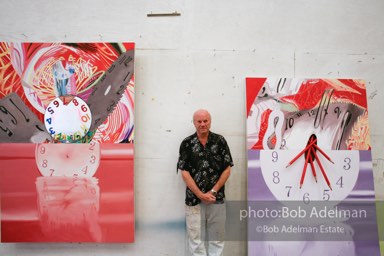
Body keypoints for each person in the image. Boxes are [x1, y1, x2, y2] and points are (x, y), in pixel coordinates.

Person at [177, 109, 234, 256]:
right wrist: (201, 195)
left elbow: (227, 169)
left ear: (210, 121)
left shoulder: (220, 141)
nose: (202, 124)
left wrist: (213, 191)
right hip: (193, 199)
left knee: (217, 237)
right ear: (194, 122)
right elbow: (184, 172)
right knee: (195, 238)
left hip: (217, 197)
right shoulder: (187, 143)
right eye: (199, 121)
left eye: (205, 121)